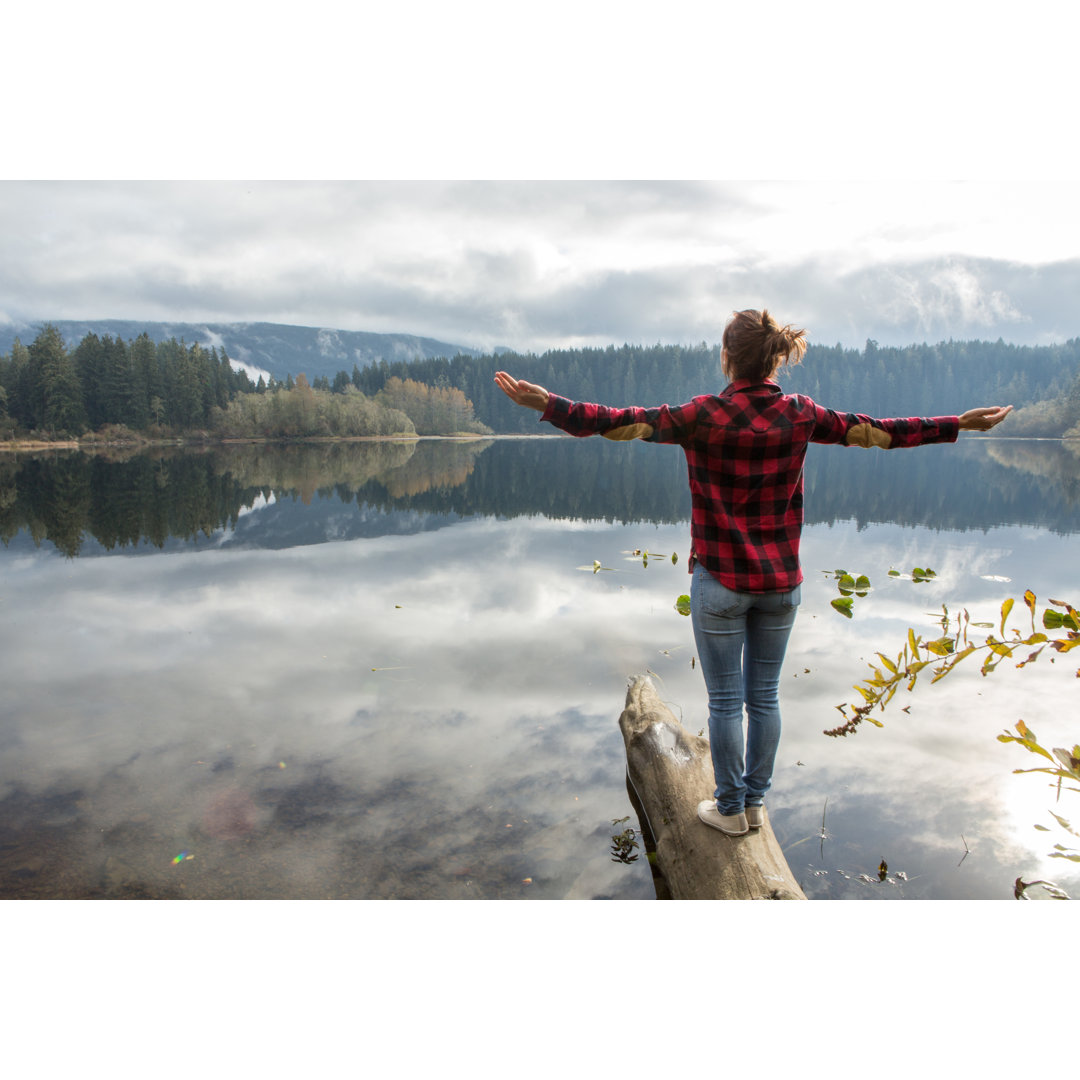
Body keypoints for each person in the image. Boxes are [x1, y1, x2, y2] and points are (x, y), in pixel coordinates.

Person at [494, 309, 1012, 837]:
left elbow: (621, 422)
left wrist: (551, 405)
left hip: (720, 580)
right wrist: (958, 424)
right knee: (764, 697)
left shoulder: (703, 414)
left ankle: (729, 807)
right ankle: (755, 805)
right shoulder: (801, 413)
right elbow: (878, 432)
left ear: (727, 357)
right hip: (781, 583)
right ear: (774, 359)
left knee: (724, 702)